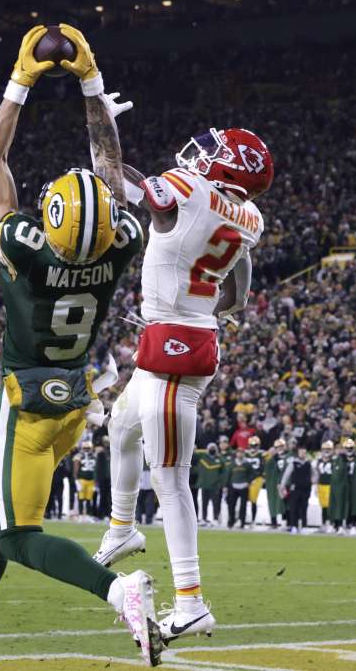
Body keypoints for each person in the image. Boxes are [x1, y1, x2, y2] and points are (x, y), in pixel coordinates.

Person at [0, 24, 159, 666]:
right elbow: (108, 165)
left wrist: (22, 81)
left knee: (18, 535)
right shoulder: (121, 240)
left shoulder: (25, 247)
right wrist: (90, 83)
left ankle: (117, 590)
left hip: (25, 403)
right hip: (74, 400)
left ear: (51, 220)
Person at [92, 66, 272, 645]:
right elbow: (239, 284)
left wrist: (100, 117)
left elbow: (110, 177)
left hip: (174, 346)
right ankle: (121, 528)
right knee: (121, 425)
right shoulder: (250, 217)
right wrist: (212, 312)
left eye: (213, 151)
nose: (200, 155)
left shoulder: (190, 190)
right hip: (184, 336)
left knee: (169, 478)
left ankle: (191, 601)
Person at [329, 438, 356, 535]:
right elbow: (335, 475)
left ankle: (352, 525)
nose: (349, 449)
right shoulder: (339, 460)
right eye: (347, 448)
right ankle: (339, 525)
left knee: (354, 505)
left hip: (354, 486)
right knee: (341, 505)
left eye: (351, 448)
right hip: (343, 486)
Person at [280, 445, 313, 532]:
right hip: (295, 489)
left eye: (304, 452)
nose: (302, 454)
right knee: (293, 508)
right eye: (301, 452)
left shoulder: (308, 463)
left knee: (304, 508)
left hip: (305, 489)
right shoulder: (293, 463)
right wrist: (282, 486)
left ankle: (304, 526)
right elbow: (286, 475)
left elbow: (314, 474)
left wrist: (314, 483)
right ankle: (293, 526)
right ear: (298, 453)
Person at [196, 444, 226, 527]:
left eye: (214, 448)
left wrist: (221, 483)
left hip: (215, 486)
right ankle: (204, 519)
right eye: (210, 448)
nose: (212, 449)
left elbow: (224, 473)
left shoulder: (220, 460)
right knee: (204, 503)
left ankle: (215, 519)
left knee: (216, 503)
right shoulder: (202, 458)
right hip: (205, 485)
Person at [225, 448, 254, 528]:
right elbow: (228, 475)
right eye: (238, 452)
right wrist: (226, 486)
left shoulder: (247, 464)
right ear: (236, 454)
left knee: (243, 505)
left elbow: (252, 474)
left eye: (241, 452)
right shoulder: (232, 464)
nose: (240, 454)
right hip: (233, 486)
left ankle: (242, 522)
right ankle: (231, 521)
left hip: (244, 486)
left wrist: (248, 482)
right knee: (231, 505)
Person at [263, 439, 289, 530]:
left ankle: (284, 522)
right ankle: (274, 522)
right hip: (272, 483)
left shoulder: (288, 456)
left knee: (285, 503)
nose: (280, 448)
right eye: (277, 447)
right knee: (272, 501)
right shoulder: (271, 458)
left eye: (281, 446)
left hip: (284, 482)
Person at [243, 437, 263, 527]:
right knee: (243, 500)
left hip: (256, 479)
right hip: (245, 479)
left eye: (255, 445)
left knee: (253, 500)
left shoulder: (261, 455)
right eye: (252, 445)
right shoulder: (245, 454)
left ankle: (253, 520)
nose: (253, 447)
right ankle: (242, 519)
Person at [315, 441, 334, 532]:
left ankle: (330, 524)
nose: (326, 451)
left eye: (328, 449)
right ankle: (323, 523)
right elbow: (317, 474)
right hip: (321, 485)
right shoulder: (319, 461)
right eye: (325, 449)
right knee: (323, 506)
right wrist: (316, 485)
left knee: (330, 506)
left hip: (330, 485)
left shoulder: (334, 461)